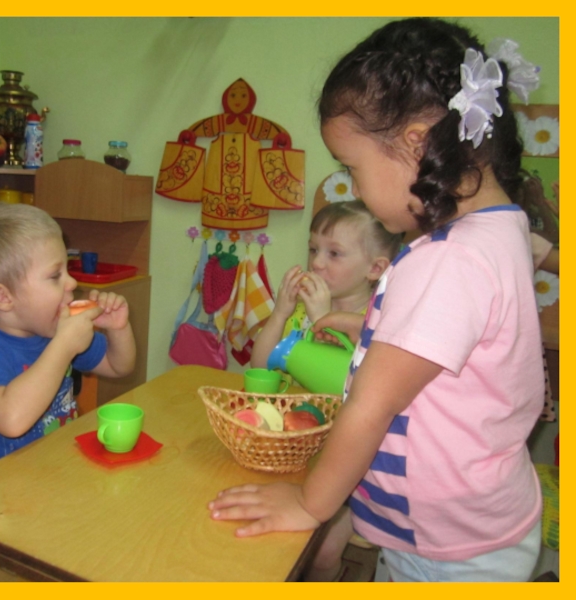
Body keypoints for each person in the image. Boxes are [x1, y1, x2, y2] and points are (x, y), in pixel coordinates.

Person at [208, 18, 544, 582]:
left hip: (446, 549)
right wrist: (363, 322)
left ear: (417, 143)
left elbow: (371, 406)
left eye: (353, 168)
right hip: (470, 523)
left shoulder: (447, 259)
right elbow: (454, 345)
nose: (355, 188)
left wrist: (310, 504)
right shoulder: (503, 227)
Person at [0, 203, 136, 473]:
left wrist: (118, 329)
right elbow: (12, 421)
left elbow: (118, 366)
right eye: (55, 275)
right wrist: (63, 347)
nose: (72, 283)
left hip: (57, 472)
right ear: (3, 297)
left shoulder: (51, 331)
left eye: (67, 270)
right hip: (2, 491)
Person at [250, 200, 402, 370]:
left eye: (334, 253)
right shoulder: (300, 311)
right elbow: (259, 368)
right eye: (313, 250)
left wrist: (322, 320)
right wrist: (279, 314)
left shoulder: (378, 323)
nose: (316, 263)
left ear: (375, 268)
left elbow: (346, 378)